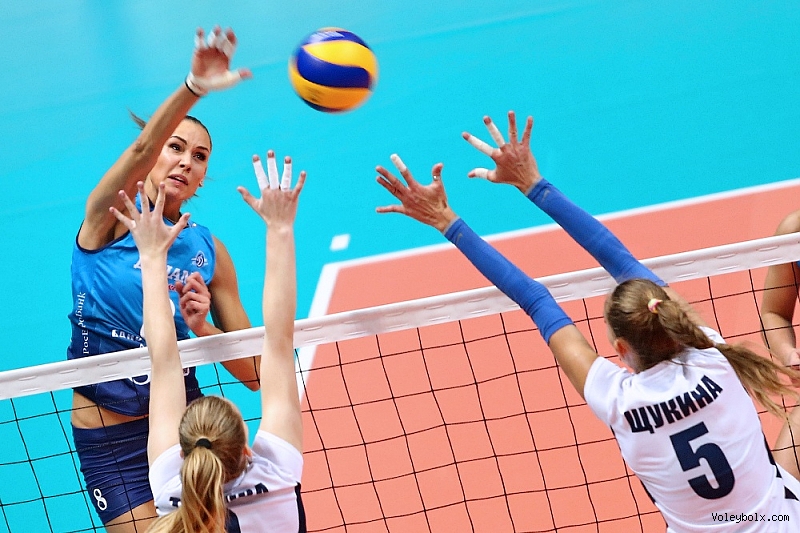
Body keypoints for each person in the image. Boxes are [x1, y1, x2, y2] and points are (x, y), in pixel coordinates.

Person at [375, 111, 800, 532]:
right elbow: (612, 263)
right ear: (669, 318)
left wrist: (446, 220)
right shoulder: (712, 357)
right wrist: (532, 182)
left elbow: (536, 300)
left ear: (620, 349)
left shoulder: (618, 401)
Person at [67, 27, 260, 531]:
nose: (185, 162)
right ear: (155, 154)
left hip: (185, 432)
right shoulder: (109, 219)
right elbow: (138, 150)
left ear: (202, 178)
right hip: (111, 441)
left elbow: (257, 373)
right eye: (175, 147)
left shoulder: (209, 252)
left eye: (200, 157)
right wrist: (194, 87)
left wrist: (203, 329)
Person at [109, 150, 307, 532]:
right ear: (246, 450)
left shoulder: (172, 492)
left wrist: (151, 256)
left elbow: (163, 362)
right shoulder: (275, 475)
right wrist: (280, 229)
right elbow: (280, 342)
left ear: (185, 457)